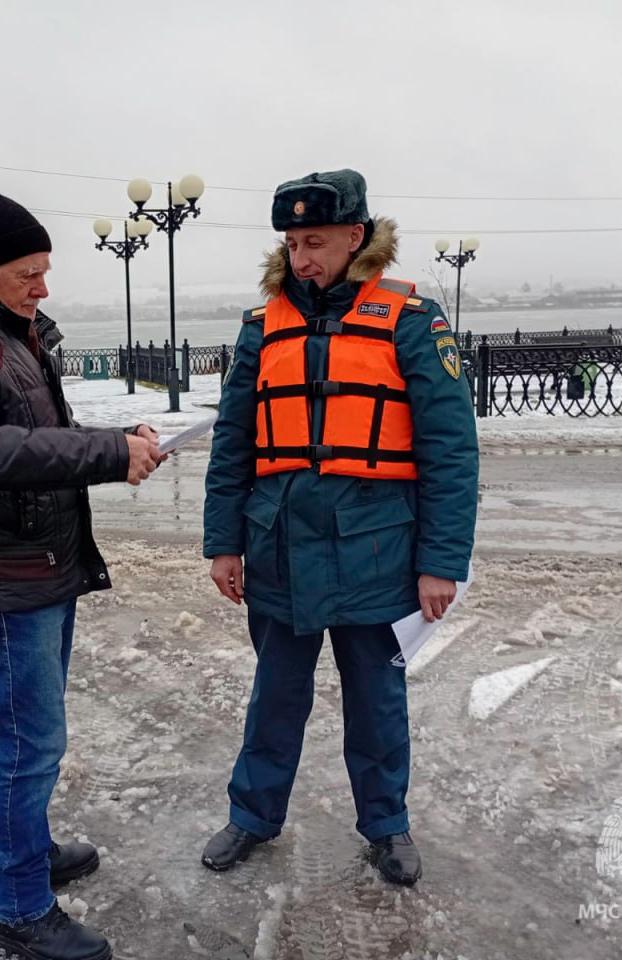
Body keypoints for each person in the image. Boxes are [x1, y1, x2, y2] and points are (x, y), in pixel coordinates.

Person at [200, 169, 478, 885]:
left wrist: (441, 562)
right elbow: (233, 443)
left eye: (315, 242)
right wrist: (223, 543)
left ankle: (387, 825)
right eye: (292, 244)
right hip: (278, 547)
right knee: (274, 696)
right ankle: (252, 815)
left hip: (376, 550)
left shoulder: (412, 320)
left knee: (377, 703)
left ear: (356, 236)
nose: (301, 259)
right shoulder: (261, 327)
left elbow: (450, 449)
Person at [0, 190, 164, 959]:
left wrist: (120, 439)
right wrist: (109, 455)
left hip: (43, 566)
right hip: (9, 578)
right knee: (30, 743)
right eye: (29, 273)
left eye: (45, 271)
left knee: (34, 737)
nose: (43, 288)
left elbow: (42, 437)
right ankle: (19, 909)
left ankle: (20, 855)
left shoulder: (14, 339)